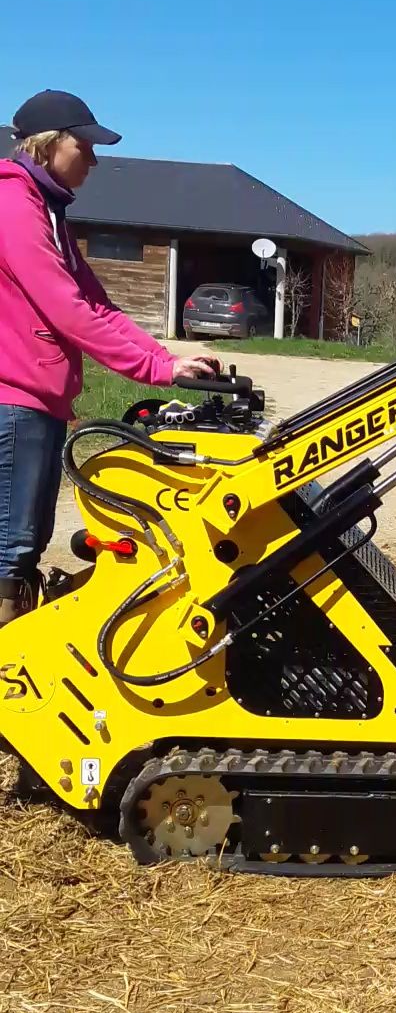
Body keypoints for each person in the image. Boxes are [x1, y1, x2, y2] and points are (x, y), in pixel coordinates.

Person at [0, 90, 220, 624]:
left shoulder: (48, 212)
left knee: (28, 539)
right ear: (48, 145)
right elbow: (66, 309)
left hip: (40, 400)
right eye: (85, 146)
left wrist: (166, 357)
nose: (93, 161)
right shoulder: (12, 207)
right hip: (15, 399)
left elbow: (98, 304)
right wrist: (154, 369)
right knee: (13, 544)